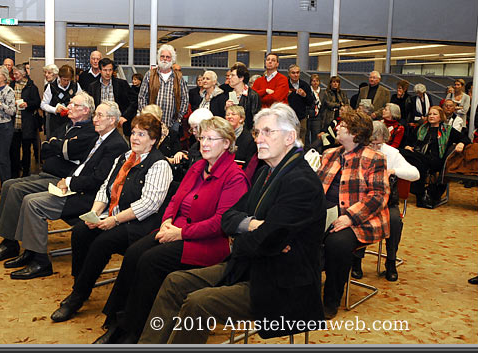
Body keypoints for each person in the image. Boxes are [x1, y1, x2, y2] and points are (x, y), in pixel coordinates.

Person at [139, 103, 326, 344]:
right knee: (175, 282)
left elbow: (265, 241)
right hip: (250, 266)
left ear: (290, 137)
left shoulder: (300, 181)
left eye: (268, 132)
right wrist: (253, 226)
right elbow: (230, 218)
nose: (259, 139)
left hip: (281, 282)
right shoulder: (266, 173)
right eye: (257, 132)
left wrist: (247, 233)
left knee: (199, 303)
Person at [93, 116, 249, 344]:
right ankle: (117, 321)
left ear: (226, 143)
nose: (204, 143)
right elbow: (175, 200)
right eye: (202, 137)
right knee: (135, 253)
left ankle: (134, 330)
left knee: (150, 261)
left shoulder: (235, 177)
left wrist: (181, 233)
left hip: (207, 243)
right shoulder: (198, 166)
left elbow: (220, 223)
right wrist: (167, 221)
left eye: (211, 139)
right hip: (175, 230)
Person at [48, 113, 173, 323]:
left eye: (141, 134)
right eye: (133, 133)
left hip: (140, 225)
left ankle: (78, 296)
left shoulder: (159, 165)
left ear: (153, 139)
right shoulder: (124, 158)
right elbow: (105, 189)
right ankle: (80, 284)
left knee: (102, 242)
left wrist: (113, 221)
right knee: (80, 230)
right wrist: (95, 213)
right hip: (114, 215)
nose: (134, 138)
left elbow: (148, 205)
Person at [1, 101, 128, 280]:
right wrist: (67, 181)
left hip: (87, 197)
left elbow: (98, 180)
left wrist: (69, 182)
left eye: (100, 116)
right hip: (74, 188)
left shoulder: (115, 144)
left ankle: (40, 261)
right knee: (26, 196)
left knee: (32, 203)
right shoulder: (100, 138)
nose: (95, 119)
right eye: (95, 115)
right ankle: (30, 252)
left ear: (112, 120)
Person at [0, 91, 99, 263]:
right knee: (8, 184)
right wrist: (57, 146)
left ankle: (11, 244)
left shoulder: (89, 132)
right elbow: (44, 146)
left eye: (74, 104)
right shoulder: (67, 126)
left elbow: (67, 150)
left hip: (60, 181)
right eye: (70, 103)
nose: (69, 107)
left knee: (16, 189)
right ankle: (9, 239)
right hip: (47, 173)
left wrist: (56, 146)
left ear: (86, 110)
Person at [317, 109, 389, 319]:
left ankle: (331, 300)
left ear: (356, 133)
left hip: (359, 219)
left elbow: (378, 196)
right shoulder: (330, 154)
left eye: (343, 125)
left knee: (337, 243)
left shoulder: (375, 158)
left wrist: (350, 217)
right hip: (326, 214)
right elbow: (315, 187)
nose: (337, 127)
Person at [352, 121, 420, 282]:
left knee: (395, 221)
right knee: (359, 218)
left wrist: (393, 171)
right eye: (372, 143)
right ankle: (356, 261)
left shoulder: (391, 153)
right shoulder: (358, 151)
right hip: (363, 201)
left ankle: (391, 261)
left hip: (387, 202)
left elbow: (415, 173)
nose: (375, 147)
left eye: (379, 144)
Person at [401, 106, 468, 209]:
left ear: (440, 117)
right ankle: (420, 195)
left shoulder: (447, 130)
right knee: (401, 152)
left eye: (434, 114)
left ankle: (419, 193)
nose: (431, 116)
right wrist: (407, 146)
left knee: (417, 162)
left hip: (435, 160)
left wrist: (461, 144)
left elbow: (465, 138)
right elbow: (408, 141)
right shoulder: (421, 128)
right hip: (418, 156)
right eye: (430, 114)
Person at [137, 44, 189, 134]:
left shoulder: (179, 77)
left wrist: (178, 118)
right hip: (151, 123)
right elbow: (142, 97)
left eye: (168, 57)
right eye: (162, 56)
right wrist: (146, 116)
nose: (165, 59)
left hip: (172, 124)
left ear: (172, 59)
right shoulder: (149, 75)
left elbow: (185, 99)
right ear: (159, 58)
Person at [88, 58, 137, 137]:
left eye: (110, 70)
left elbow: (134, 101)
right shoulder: (93, 87)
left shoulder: (122, 84)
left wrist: (125, 116)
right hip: (100, 123)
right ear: (100, 70)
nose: (108, 73)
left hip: (118, 124)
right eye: (105, 70)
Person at [10, 65, 41, 178]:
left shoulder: (32, 87)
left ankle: (26, 173)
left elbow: (37, 102)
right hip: (14, 123)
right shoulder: (11, 86)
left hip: (27, 123)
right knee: (14, 150)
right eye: (13, 74)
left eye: (16, 74)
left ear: (23, 74)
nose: (14, 76)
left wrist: (27, 104)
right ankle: (14, 174)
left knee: (26, 150)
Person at [40, 65, 82, 139]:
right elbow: (43, 104)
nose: (65, 82)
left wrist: (73, 105)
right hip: (56, 122)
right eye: (64, 80)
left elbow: (81, 101)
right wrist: (55, 109)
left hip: (71, 120)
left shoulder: (76, 86)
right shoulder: (51, 87)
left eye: (68, 80)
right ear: (59, 77)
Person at [225, 62, 261, 130]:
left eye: (232, 75)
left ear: (241, 78)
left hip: (246, 134)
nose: (229, 78)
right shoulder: (229, 94)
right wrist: (226, 108)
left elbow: (255, 119)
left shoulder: (253, 95)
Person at [286, 64, 314, 143]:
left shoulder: (305, 85)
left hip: (301, 118)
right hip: (287, 117)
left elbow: (311, 102)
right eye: (293, 73)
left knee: (301, 140)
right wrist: (285, 95)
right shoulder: (285, 84)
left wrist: (305, 95)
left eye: (297, 73)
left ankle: (300, 154)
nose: (295, 75)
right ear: (289, 74)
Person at [306, 74, 323, 148]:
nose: (315, 82)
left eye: (317, 81)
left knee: (316, 135)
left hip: (318, 117)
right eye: (313, 81)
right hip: (308, 115)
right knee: (306, 135)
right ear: (311, 82)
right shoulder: (308, 91)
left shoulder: (323, 92)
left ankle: (316, 152)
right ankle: (306, 152)